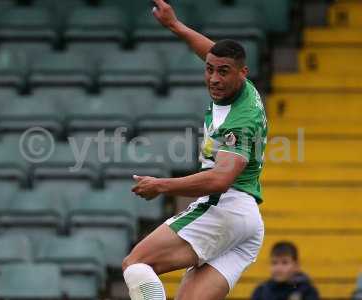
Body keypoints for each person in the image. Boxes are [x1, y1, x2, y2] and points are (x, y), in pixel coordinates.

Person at [122, 0, 268, 299]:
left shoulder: (239, 121)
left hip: (224, 207)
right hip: (248, 224)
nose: (214, 78)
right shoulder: (241, 85)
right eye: (209, 70)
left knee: (136, 264)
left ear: (243, 72)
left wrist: (162, 185)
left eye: (223, 72)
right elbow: (212, 52)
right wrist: (175, 25)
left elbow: (220, 179)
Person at [251, 241, 320, 300]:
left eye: (285, 263)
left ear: (296, 265)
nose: (278, 268)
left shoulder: (307, 291)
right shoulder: (261, 291)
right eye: (274, 263)